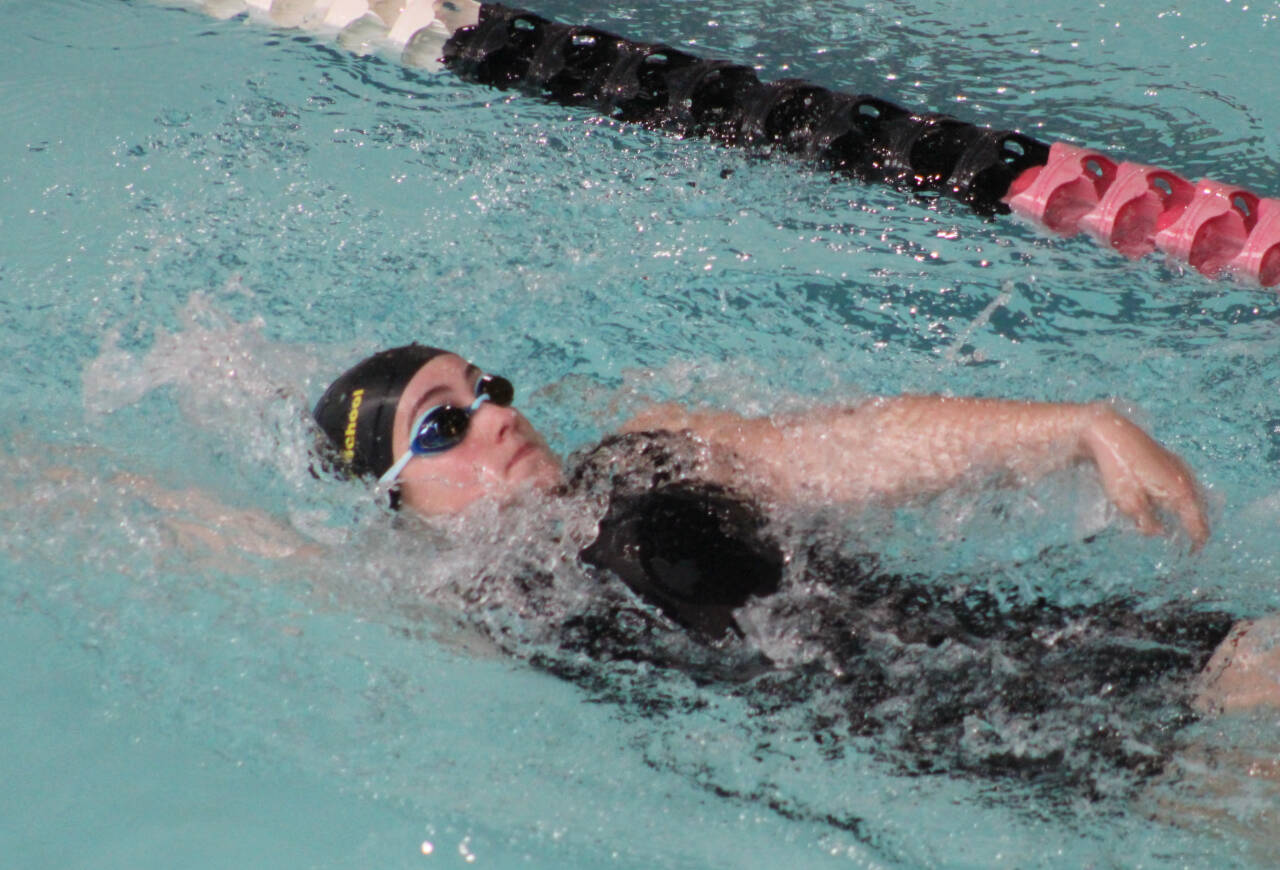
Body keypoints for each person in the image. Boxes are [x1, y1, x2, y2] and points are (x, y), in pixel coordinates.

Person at [311, 343, 1277, 794]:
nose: (498, 416)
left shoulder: (651, 448)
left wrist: (1078, 426)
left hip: (1098, 649)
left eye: (487, 390)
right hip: (1059, 764)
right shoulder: (454, 603)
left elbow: (853, 449)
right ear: (391, 501)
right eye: (444, 425)